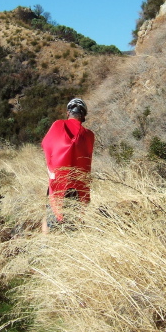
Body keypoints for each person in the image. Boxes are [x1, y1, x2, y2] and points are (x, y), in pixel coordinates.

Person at [41, 98, 95, 232]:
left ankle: (45, 246)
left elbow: (46, 144)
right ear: (83, 116)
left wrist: (52, 169)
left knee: (50, 215)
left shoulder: (58, 125)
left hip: (58, 182)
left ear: (68, 113)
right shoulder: (89, 135)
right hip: (78, 186)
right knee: (74, 223)